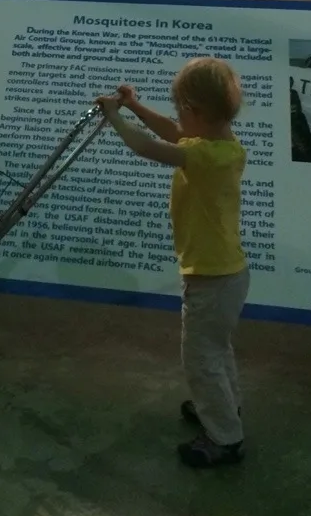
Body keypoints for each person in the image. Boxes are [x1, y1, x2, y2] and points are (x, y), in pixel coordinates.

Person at [96, 57, 248, 469]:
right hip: (223, 274)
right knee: (216, 350)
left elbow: (149, 147)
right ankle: (223, 408)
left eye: (180, 107)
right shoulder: (217, 145)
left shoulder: (208, 158)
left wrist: (115, 119)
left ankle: (224, 438)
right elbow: (175, 133)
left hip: (212, 278)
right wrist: (134, 106)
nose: (179, 117)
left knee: (200, 358)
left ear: (196, 112)